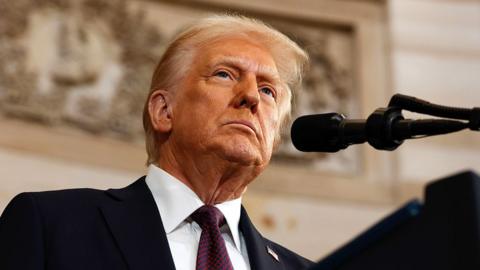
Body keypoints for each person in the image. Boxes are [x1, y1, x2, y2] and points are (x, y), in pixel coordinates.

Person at [0, 15, 313, 270]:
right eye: (224, 74)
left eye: (268, 90)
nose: (251, 96)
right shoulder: (53, 226)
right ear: (163, 111)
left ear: (274, 136)